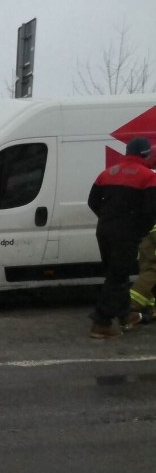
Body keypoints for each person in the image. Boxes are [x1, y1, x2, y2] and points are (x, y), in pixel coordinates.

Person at [86, 136, 156, 338]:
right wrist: (139, 229)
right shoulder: (148, 177)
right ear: (145, 154)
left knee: (115, 273)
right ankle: (101, 322)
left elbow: (92, 202)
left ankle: (126, 315)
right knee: (118, 276)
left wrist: (108, 218)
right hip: (125, 235)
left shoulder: (107, 173)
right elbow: (151, 210)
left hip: (104, 231)